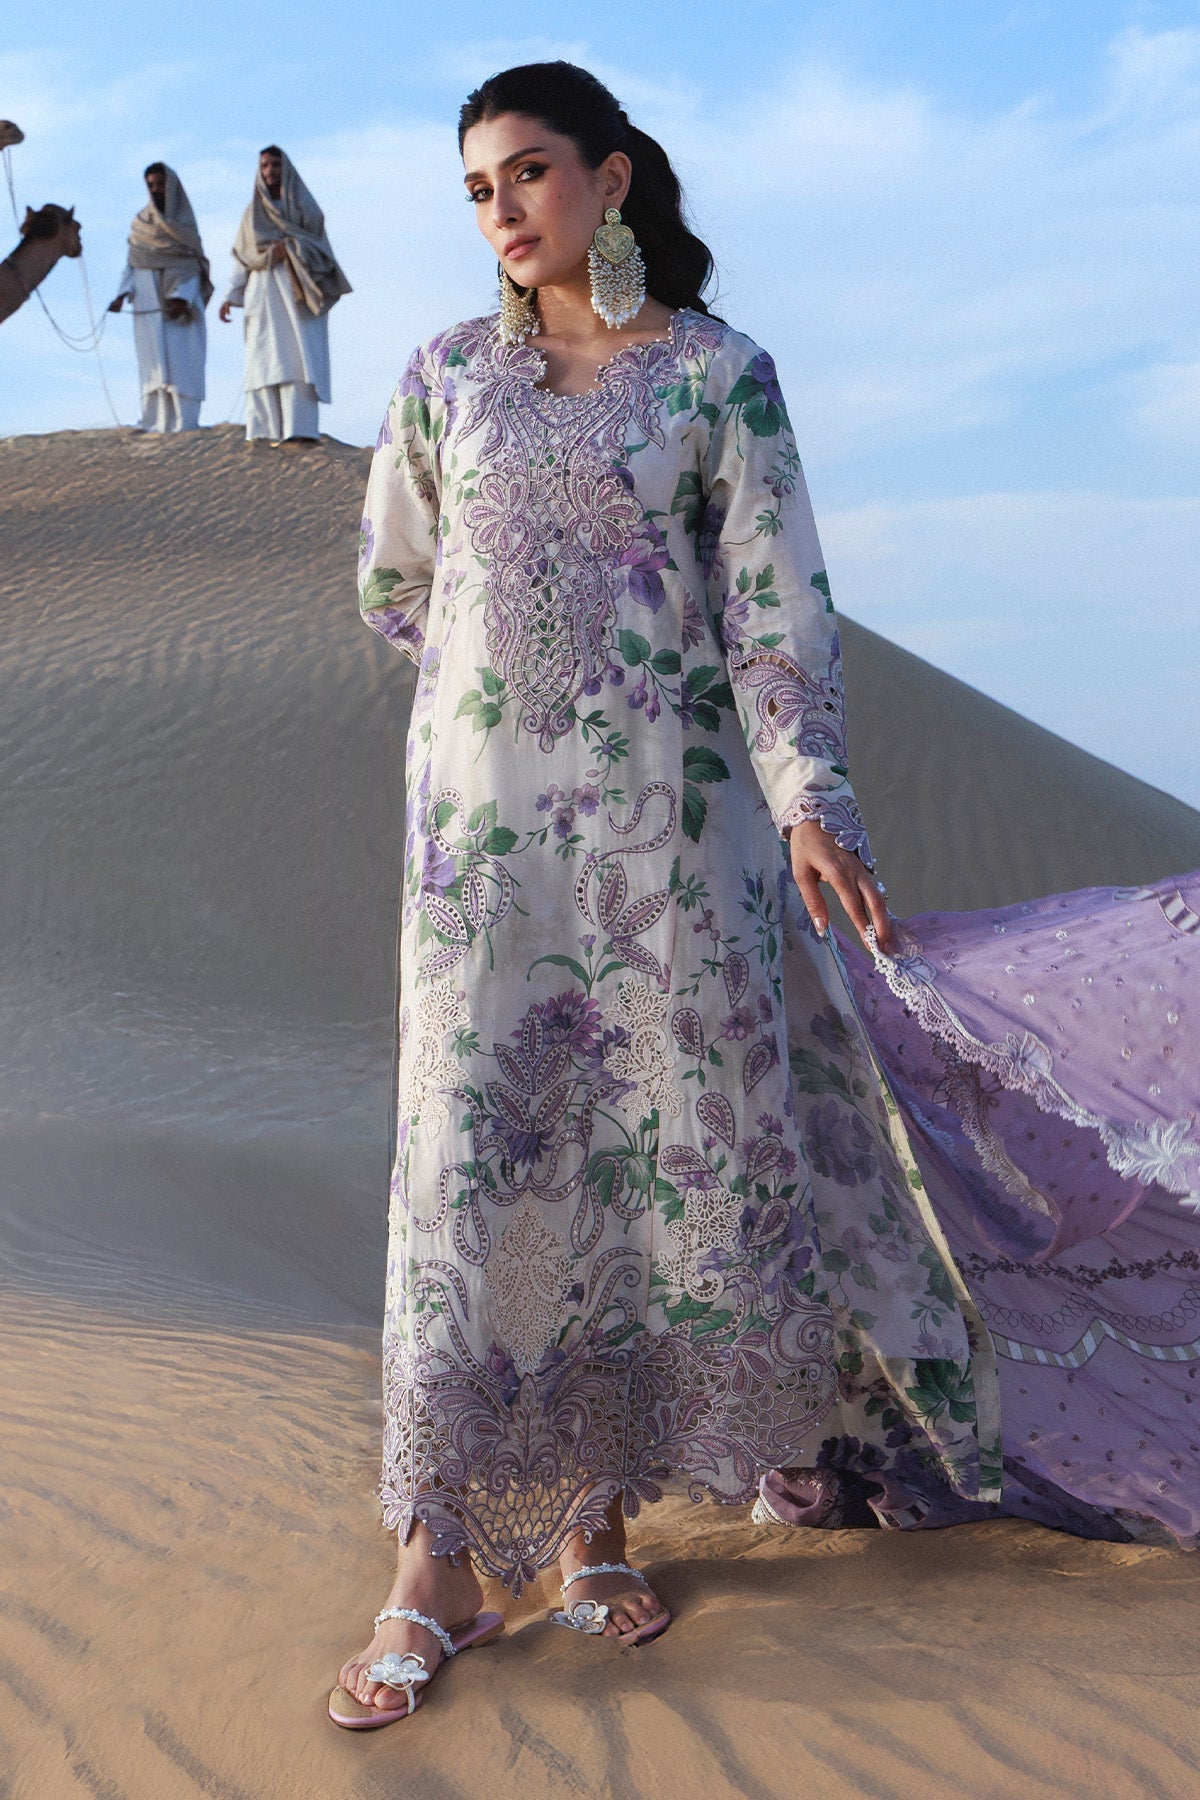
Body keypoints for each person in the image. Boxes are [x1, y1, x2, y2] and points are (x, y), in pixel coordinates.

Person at [332, 61, 1200, 1730]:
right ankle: (434, 1558)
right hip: (487, 861)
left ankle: (594, 1525)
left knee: (639, 1164)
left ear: (611, 177)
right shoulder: (445, 376)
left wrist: (808, 804)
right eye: (479, 188)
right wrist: (513, 703)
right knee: (470, 1167)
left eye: (529, 173)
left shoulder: (721, 377)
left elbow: (775, 616)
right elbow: (396, 584)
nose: (504, 210)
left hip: (678, 846)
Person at [218, 145, 350, 446]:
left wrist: (291, 247)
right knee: (262, 362)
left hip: (298, 291)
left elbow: (322, 251)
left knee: (297, 360)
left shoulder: (305, 208)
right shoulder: (253, 213)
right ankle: (263, 432)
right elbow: (244, 258)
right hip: (261, 291)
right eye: (264, 166)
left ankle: (299, 430)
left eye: (275, 165)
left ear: (285, 168)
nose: (270, 172)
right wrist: (230, 296)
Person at [109, 163, 210, 432]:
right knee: (152, 366)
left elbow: (192, 265)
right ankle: (152, 421)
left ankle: (185, 423)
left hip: (179, 306)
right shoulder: (141, 224)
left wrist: (182, 297)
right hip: (147, 300)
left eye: (160, 184)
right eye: (151, 185)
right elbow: (132, 263)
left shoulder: (184, 225)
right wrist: (121, 295)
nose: (155, 190)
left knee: (182, 363)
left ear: (171, 186)